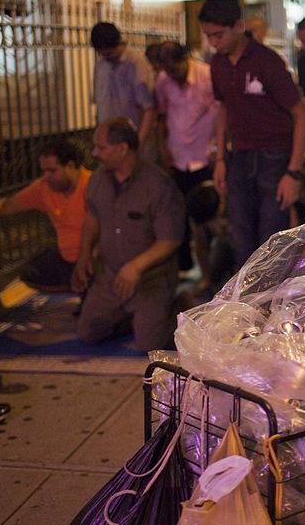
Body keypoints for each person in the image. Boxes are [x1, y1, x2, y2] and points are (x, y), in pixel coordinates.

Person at [198, 0, 305, 268]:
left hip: (274, 158)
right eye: (208, 36)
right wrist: (221, 158)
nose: (213, 42)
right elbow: (223, 108)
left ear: (239, 26)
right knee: (241, 239)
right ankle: (244, 308)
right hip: (239, 157)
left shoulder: (266, 61)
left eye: (218, 35)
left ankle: (271, 306)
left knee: (271, 242)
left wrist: (293, 172)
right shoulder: (218, 64)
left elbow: (302, 113)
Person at [72, 118, 184, 352]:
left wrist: (136, 266)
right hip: (111, 275)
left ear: (122, 149)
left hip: (150, 279)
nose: (94, 153)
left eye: (101, 147)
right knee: (87, 332)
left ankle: (176, 307)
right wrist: (84, 256)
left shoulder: (158, 185)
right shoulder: (97, 181)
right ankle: (130, 316)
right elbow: (92, 218)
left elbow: (170, 239)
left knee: (149, 345)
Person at [0, 139, 90, 291]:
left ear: (70, 166)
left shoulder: (94, 186)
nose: (46, 176)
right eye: (43, 171)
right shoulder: (44, 188)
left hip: (97, 259)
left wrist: (86, 262)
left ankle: (85, 290)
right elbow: (7, 206)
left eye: (52, 171)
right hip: (69, 257)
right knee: (32, 272)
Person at [153, 41, 220, 276]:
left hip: (205, 156)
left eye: (175, 69)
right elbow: (161, 116)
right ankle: (184, 266)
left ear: (185, 60)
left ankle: (213, 268)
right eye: (167, 70)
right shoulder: (163, 81)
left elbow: (222, 112)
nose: (172, 75)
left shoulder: (206, 76)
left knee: (207, 217)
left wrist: (218, 149)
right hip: (178, 157)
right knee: (178, 212)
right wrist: (163, 148)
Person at [90, 22, 156, 153]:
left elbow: (149, 108)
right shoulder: (100, 64)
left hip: (132, 141)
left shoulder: (136, 63)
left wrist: (138, 143)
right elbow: (99, 103)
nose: (106, 56)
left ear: (118, 43)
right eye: (102, 53)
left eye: (109, 52)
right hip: (108, 143)